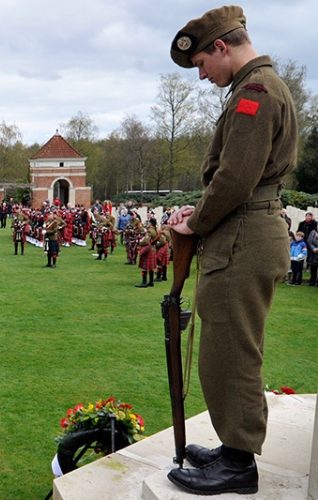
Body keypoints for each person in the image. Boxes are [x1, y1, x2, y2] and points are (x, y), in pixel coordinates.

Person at [166, 6, 298, 495]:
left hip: (242, 236)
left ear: (222, 46)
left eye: (202, 63)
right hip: (242, 232)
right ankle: (234, 446)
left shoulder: (255, 92)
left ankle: (240, 464)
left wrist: (196, 221)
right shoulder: (255, 87)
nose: (202, 75)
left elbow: (236, 178)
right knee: (229, 349)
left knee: (232, 353)